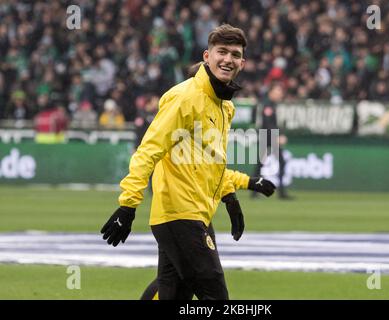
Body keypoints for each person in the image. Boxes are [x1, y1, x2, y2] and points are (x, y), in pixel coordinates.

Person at [101, 24, 276, 300]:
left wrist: (231, 196)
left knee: (171, 293)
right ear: (207, 56)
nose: (227, 59)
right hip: (179, 214)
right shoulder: (185, 97)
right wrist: (128, 205)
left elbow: (210, 165)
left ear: (242, 62)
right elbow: (149, 150)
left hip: (195, 215)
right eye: (222, 52)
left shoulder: (224, 106)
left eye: (234, 54)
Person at [252, 83, 292, 199]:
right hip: (266, 136)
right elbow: (268, 123)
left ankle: (256, 191)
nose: (280, 94)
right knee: (275, 162)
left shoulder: (271, 104)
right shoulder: (267, 104)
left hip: (268, 136)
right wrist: (277, 137)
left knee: (261, 164)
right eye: (278, 91)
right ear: (271, 92)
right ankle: (281, 193)